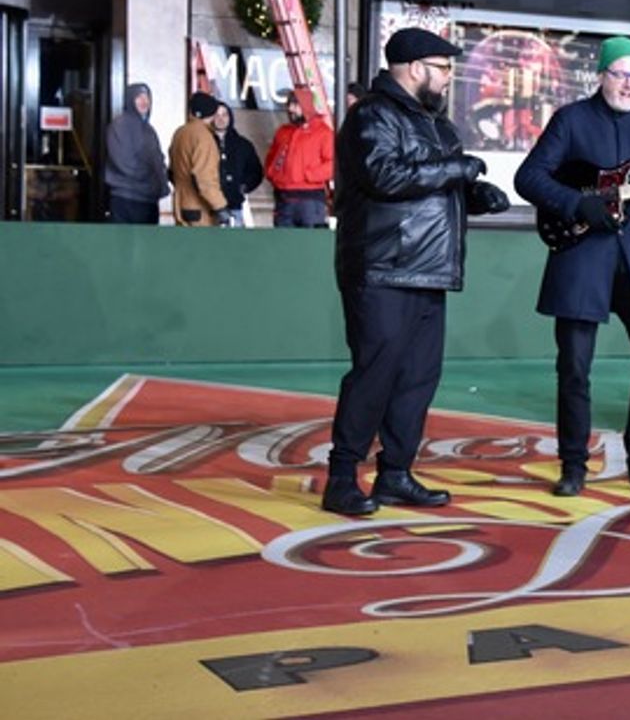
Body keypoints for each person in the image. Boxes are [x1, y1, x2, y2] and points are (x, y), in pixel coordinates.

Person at [323, 27, 511, 516]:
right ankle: (341, 478)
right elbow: (384, 176)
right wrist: (457, 171)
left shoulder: (436, 124)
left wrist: (475, 196)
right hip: (382, 266)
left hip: (429, 269)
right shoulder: (371, 116)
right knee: (374, 374)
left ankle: (395, 474)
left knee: (417, 378)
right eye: (442, 67)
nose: (449, 77)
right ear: (413, 68)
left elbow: (432, 186)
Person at [515, 35, 630, 498]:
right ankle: (573, 465)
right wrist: (576, 205)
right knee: (574, 367)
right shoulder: (571, 120)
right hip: (583, 255)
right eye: (620, 74)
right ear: (601, 75)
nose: (629, 85)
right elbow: (528, 177)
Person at [264, 87, 335, 227]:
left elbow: (333, 164)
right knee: (283, 240)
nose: (290, 109)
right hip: (283, 198)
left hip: (310, 200)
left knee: (309, 240)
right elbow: (271, 158)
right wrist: (273, 174)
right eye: (289, 104)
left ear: (306, 106)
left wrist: (308, 175)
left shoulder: (323, 133)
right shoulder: (283, 132)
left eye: (295, 104)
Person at [104, 83, 169, 224]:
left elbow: (157, 160)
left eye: (147, 97)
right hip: (127, 198)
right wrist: (152, 177)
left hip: (147, 199)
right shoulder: (119, 125)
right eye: (139, 97)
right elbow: (123, 162)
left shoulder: (148, 129)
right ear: (130, 99)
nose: (144, 101)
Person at [168, 92, 232, 227]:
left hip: (181, 204)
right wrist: (220, 206)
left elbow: (171, 172)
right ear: (212, 113)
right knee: (203, 242)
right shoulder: (204, 137)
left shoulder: (180, 133)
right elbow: (204, 178)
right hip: (200, 210)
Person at [211, 100, 263, 227]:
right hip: (209, 206)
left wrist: (243, 187)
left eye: (224, 115)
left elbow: (256, 171)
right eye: (217, 115)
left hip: (234, 205)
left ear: (230, 117)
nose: (221, 119)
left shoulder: (243, 144)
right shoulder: (204, 142)